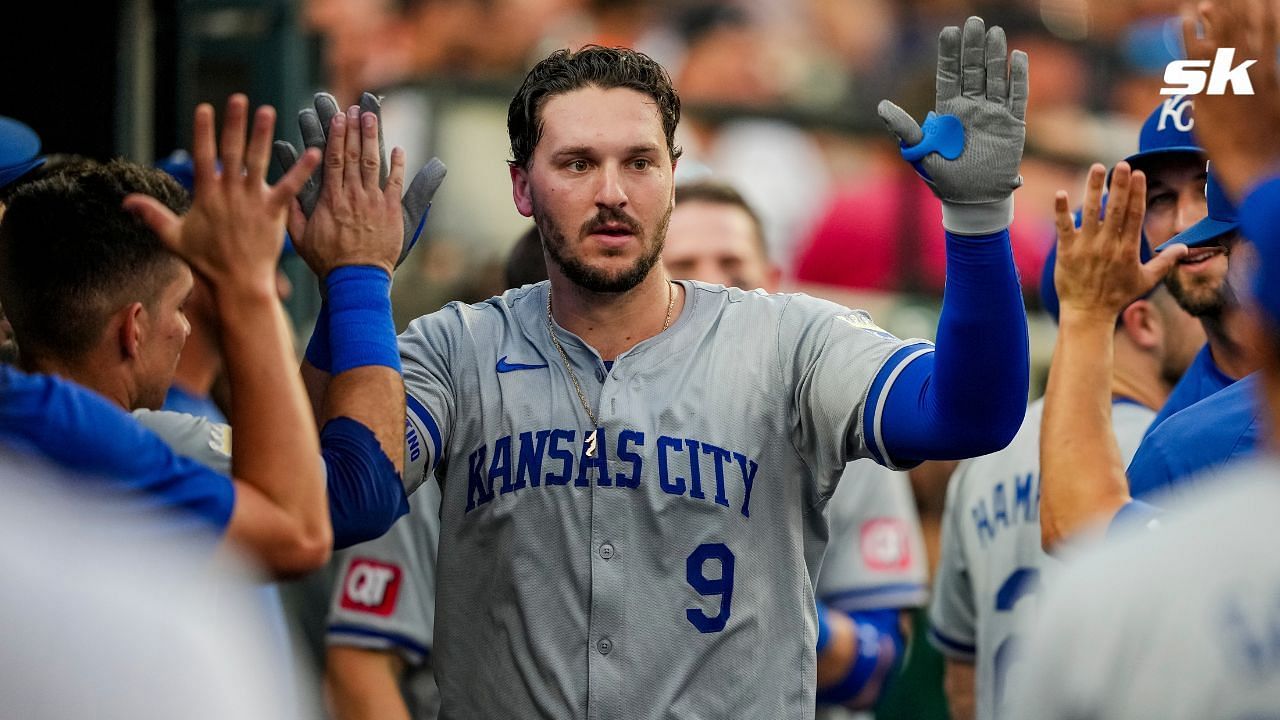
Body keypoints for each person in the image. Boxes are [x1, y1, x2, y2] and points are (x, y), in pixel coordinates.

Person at [305, 21, 1031, 715]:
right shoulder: (456, 348)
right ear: (522, 188)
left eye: (640, 162)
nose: (613, 192)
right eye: (578, 163)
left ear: (674, 176)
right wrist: (355, 281)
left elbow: (972, 414)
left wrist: (977, 224)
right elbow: (343, 498)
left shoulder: (789, 341)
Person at [0, 95, 408, 574]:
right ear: (133, 329)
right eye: (179, 304)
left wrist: (345, 291)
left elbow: (304, 461)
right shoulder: (79, 432)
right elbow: (351, 495)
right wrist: (359, 277)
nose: (185, 324)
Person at [1013, 2, 1280, 715]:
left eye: (1210, 187)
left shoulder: (1190, 434)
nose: (1186, 222)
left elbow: (1083, 522)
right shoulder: (1174, 432)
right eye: (1159, 197)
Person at [662, 178, 930, 715]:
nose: (713, 289)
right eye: (684, 271)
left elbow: (878, 666)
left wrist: (761, 598)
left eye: (733, 270)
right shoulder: (595, 418)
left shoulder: (836, 415)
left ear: (773, 282)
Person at [929, 226, 1201, 719]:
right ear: (1144, 324)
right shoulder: (1170, 448)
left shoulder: (988, 453)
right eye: (1182, 296)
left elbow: (961, 678)